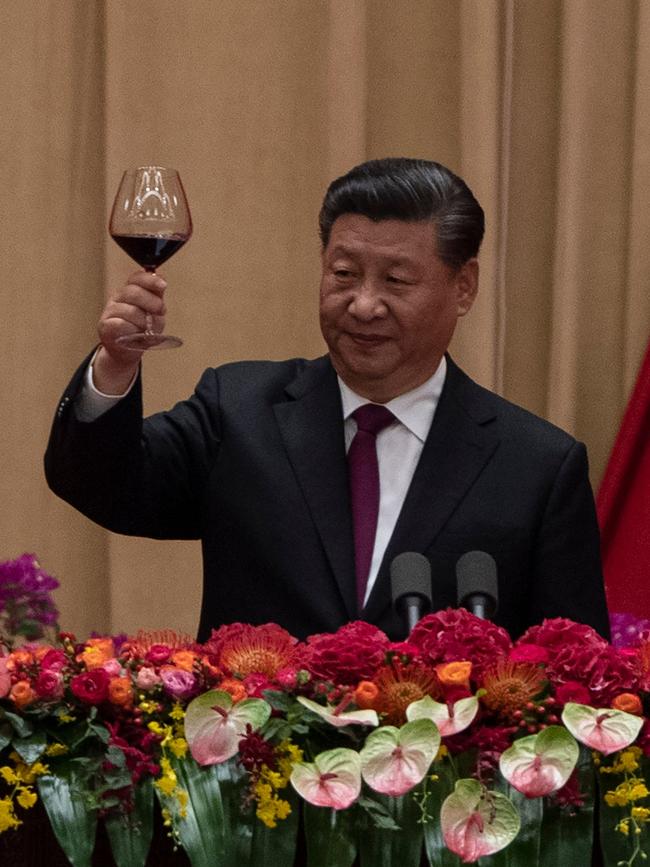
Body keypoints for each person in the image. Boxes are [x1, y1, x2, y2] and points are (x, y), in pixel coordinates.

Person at [44, 157, 610, 643]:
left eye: (395, 281)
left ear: (463, 287)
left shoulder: (536, 466)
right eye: (344, 274)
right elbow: (102, 484)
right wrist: (116, 366)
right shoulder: (238, 410)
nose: (363, 305)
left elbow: (571, 671)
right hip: (253, 760)